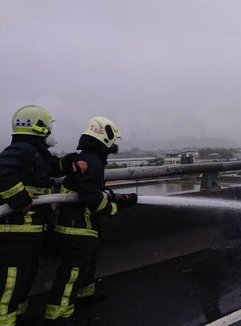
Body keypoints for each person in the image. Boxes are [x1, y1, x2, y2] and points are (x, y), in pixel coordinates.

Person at [44, 117, 138, 325]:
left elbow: (89, 190)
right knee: (73, 271)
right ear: (105, 138)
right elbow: (89, 196)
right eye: (112, 141)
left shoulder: (88, 158)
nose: (114, 146)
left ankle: (85, 294)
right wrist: (112, 207)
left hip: (79, 226)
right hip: (76, 228)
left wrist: (106, 195)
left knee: (87, 263)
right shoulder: (93, 163)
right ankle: (58, 314)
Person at [0, 105, 86, 326]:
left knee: (24, 278)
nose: (50, 132)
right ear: (37, 127)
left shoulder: (36, 153)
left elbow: (52, 168)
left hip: (29, 231)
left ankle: (17, 317)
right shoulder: (23, 150)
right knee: (11, 281)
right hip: (14, 231)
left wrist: (69, 162)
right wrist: (18, 198)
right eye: (47, 128)